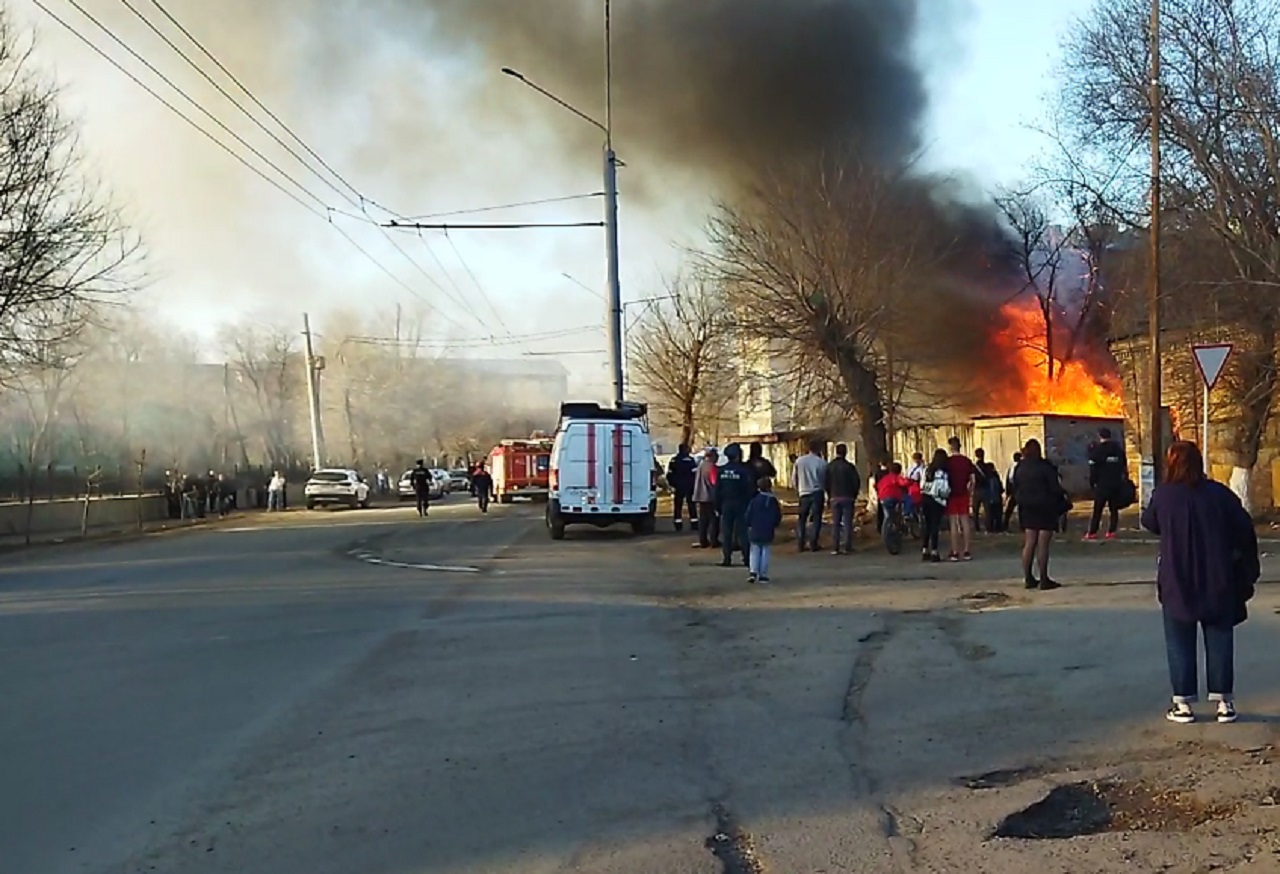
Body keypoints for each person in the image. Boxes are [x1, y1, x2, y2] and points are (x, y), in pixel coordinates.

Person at [1142, 441, 1258, 725]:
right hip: (1218, 577)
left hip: (1176, 579)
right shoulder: (1220, 494)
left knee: (1179, 642)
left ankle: (1183, 705)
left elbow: (1149, 522)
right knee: (1219, 638)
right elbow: (1244, 527)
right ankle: (1224, 703)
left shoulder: (1164, 496)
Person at [1012, 439, 1067, 591]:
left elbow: (1014, 485)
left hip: (1026, 507)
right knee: (1043, 543)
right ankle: (1044, 578)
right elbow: (1055, 487)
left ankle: (1028, 577)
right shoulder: (1045, 467)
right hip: (1045, 506)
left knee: (1029, 542)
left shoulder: (1020, 467)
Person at [715, 444, 753, 568]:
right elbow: (749, 489)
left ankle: (727, 559)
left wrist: (717, 506)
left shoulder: (721, 471)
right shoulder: (743, 471)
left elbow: (717, 490)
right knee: (743, 532)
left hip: (726, 504)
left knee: (727, 532)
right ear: (738, 455)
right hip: (741, 504)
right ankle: (747, 558)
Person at [1085, 426, 1128, 540]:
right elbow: (1124, 466)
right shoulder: (1118, 450)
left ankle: (1092, 532)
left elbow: (1093, 468)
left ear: (1100, 437)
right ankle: (1111, 532)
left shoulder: (1098, 451)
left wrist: (1092, 482)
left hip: (1102, 485)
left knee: (1098, 510)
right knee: (1113, 509)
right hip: (1115, 484)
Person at [944, 437, 977, 561]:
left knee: (953, 523)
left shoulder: (947, 462)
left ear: (950, 447)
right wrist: (970, 492)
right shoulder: (967, 461)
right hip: (964, 493)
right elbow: (973, 480)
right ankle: (967, 551)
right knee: (965, 522)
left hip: (951, 494)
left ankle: (955, 551)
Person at [745, 476, 783, 584]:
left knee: (754, 551)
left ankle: (753, 572)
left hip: (755, 528)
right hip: (768, 529)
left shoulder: (754, 500)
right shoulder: (772, 501)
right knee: (765, 551)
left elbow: (748, 514)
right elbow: (777, 516)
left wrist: (748, 524)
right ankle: (763, 574)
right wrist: (775, 525)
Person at [825, 443, 862, 555]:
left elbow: (826, 482)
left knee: (835, 523)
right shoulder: (849, 466)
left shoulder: (830, 466)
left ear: (836, 452)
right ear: (845, 452)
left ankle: (835, 547)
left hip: (835, 497)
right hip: (848, 497)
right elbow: (856, 482)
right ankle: (847, 546)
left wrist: (829, 494)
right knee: (847, 522)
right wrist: (854, 494)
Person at [793, 438, 827, 552]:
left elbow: (794, 477)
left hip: (804, 492)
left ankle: (801, 542)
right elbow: (824, 479)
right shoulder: (821, 462)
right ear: (818, 449)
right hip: (817, 492)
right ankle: (813, 542)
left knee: (802, 518)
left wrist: (798, 488)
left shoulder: (799, 461)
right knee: (816, 518)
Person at [920, 449, 951, 562]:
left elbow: (921, 485)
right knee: (934, 526)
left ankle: (924, 549)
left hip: (925, 498)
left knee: (926, 525)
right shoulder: (942, 473)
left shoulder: (927, 470)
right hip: (937, 500)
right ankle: (934, 551)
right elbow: (944, 489)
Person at [666, 443, 699, 533]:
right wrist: (694, 484)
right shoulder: (691, 460)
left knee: (678, 505)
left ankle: (678, 524)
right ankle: (694, 523)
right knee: (691, 505)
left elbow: (669, 474)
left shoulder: (674, 460)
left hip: (678, 486)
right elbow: (695, 474)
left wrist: (672, 484)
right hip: (689, 486)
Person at [692, 448, 720, 549]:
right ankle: (713, 540)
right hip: (710, 497)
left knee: (703, 520)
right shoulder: (712, 467)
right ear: (713, 456)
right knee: (713, 520)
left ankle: (703, 540)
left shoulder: (701, 466)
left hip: (700, 496)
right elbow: (714, 482)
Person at [875, 462, 910, 540]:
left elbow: (878, 485)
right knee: (900, 506)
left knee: (887, 515)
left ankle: (886, 528)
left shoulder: (885, 478)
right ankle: (903, 518)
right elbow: (904, 483)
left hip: (882, 498)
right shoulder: (896, 477)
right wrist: (909, 481)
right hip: (894, 497)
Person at [1003, 452, 1022, 531]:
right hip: (1018, 491)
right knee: (1020, 509)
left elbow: (1009, 480)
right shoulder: (1020, 467)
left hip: (1015, 490)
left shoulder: (1012, 467)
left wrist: (1008, 492)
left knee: (1010, 509)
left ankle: (1005, 525)